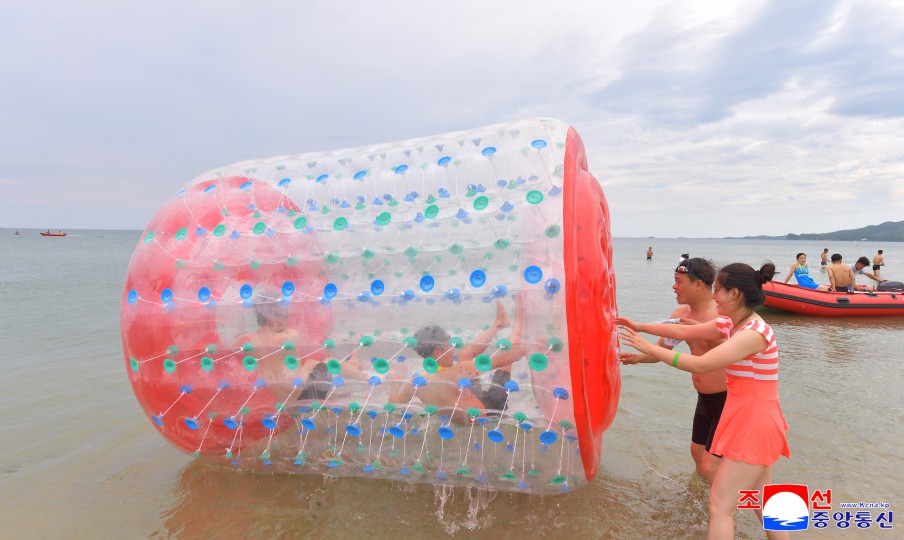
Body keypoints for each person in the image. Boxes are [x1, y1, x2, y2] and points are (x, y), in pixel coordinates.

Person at [618, 262, 790, 540]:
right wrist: (638, 326)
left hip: (754, 422)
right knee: (763, 496)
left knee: (720, 507)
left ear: (734, 293)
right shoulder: (731, 323)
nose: (715, 296)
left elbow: (701, 364)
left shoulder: (754, 333)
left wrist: (648, 348)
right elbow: (684, 332)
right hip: (746, 416)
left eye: (718, 290)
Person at [620, 257, 725, 482]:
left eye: (679, 281)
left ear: (698, 284)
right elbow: (663, 349)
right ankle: (703, 498)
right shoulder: (680, 314)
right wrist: (637, 358)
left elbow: (735, 351)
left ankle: (725, 500)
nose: (674, 286)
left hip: (728, 399)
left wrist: (701, 330)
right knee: (697, 454)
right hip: (704, 399)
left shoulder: (722, 314)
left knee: (713, 462)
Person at [389, 296, 526, 420]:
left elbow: (393, 403)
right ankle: (521, 322)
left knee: (464, 354)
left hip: (467, 398)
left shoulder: (419, 383)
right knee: (504, 361)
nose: (453, 349)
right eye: (449, 344)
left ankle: (498, 324)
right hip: (488, 412)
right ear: (437, 351)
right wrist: (530, 348)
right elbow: (506, 357)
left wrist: (395, 385)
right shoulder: (458, 372)